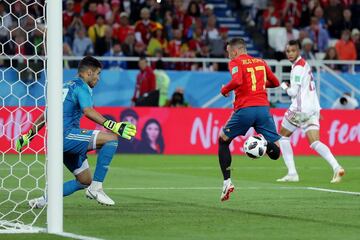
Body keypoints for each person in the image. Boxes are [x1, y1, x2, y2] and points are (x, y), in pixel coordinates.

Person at [16, 56, 136, 207]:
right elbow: (88, 110)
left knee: (83, 180)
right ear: (89, 73)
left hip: (56, 140)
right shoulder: (81, 86)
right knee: (111, 139)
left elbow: (45, 115)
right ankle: (96, 188)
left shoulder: (63, 87)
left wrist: (28, 136)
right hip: (66, 136)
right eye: (98, 74)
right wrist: (113, 125)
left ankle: (43, 200)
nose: (98, 79)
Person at [218, 38, 281, 202]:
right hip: (263, 110)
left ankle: (227, 182)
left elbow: (237, 80)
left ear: (235, 50)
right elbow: (276, 82)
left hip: (245, 109)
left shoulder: (235, 62)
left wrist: (224, 90)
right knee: (276, 153)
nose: (229, 56)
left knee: (223, 140)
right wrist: (259, 84)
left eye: (229, 52)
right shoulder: (261, 62)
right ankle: (265, 143)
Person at [277, 40, 345, 183]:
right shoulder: (305, 64)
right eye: (288, 51)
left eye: (293, 50)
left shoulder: (297, 68)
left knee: (283, 136)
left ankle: (292, 173)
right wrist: (318, 110)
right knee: (314, 142)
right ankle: (336, 167)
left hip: (300, 109)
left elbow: (293, 92)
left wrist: (283, 86)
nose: (290, 53)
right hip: (312, 108)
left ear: (299, 51)